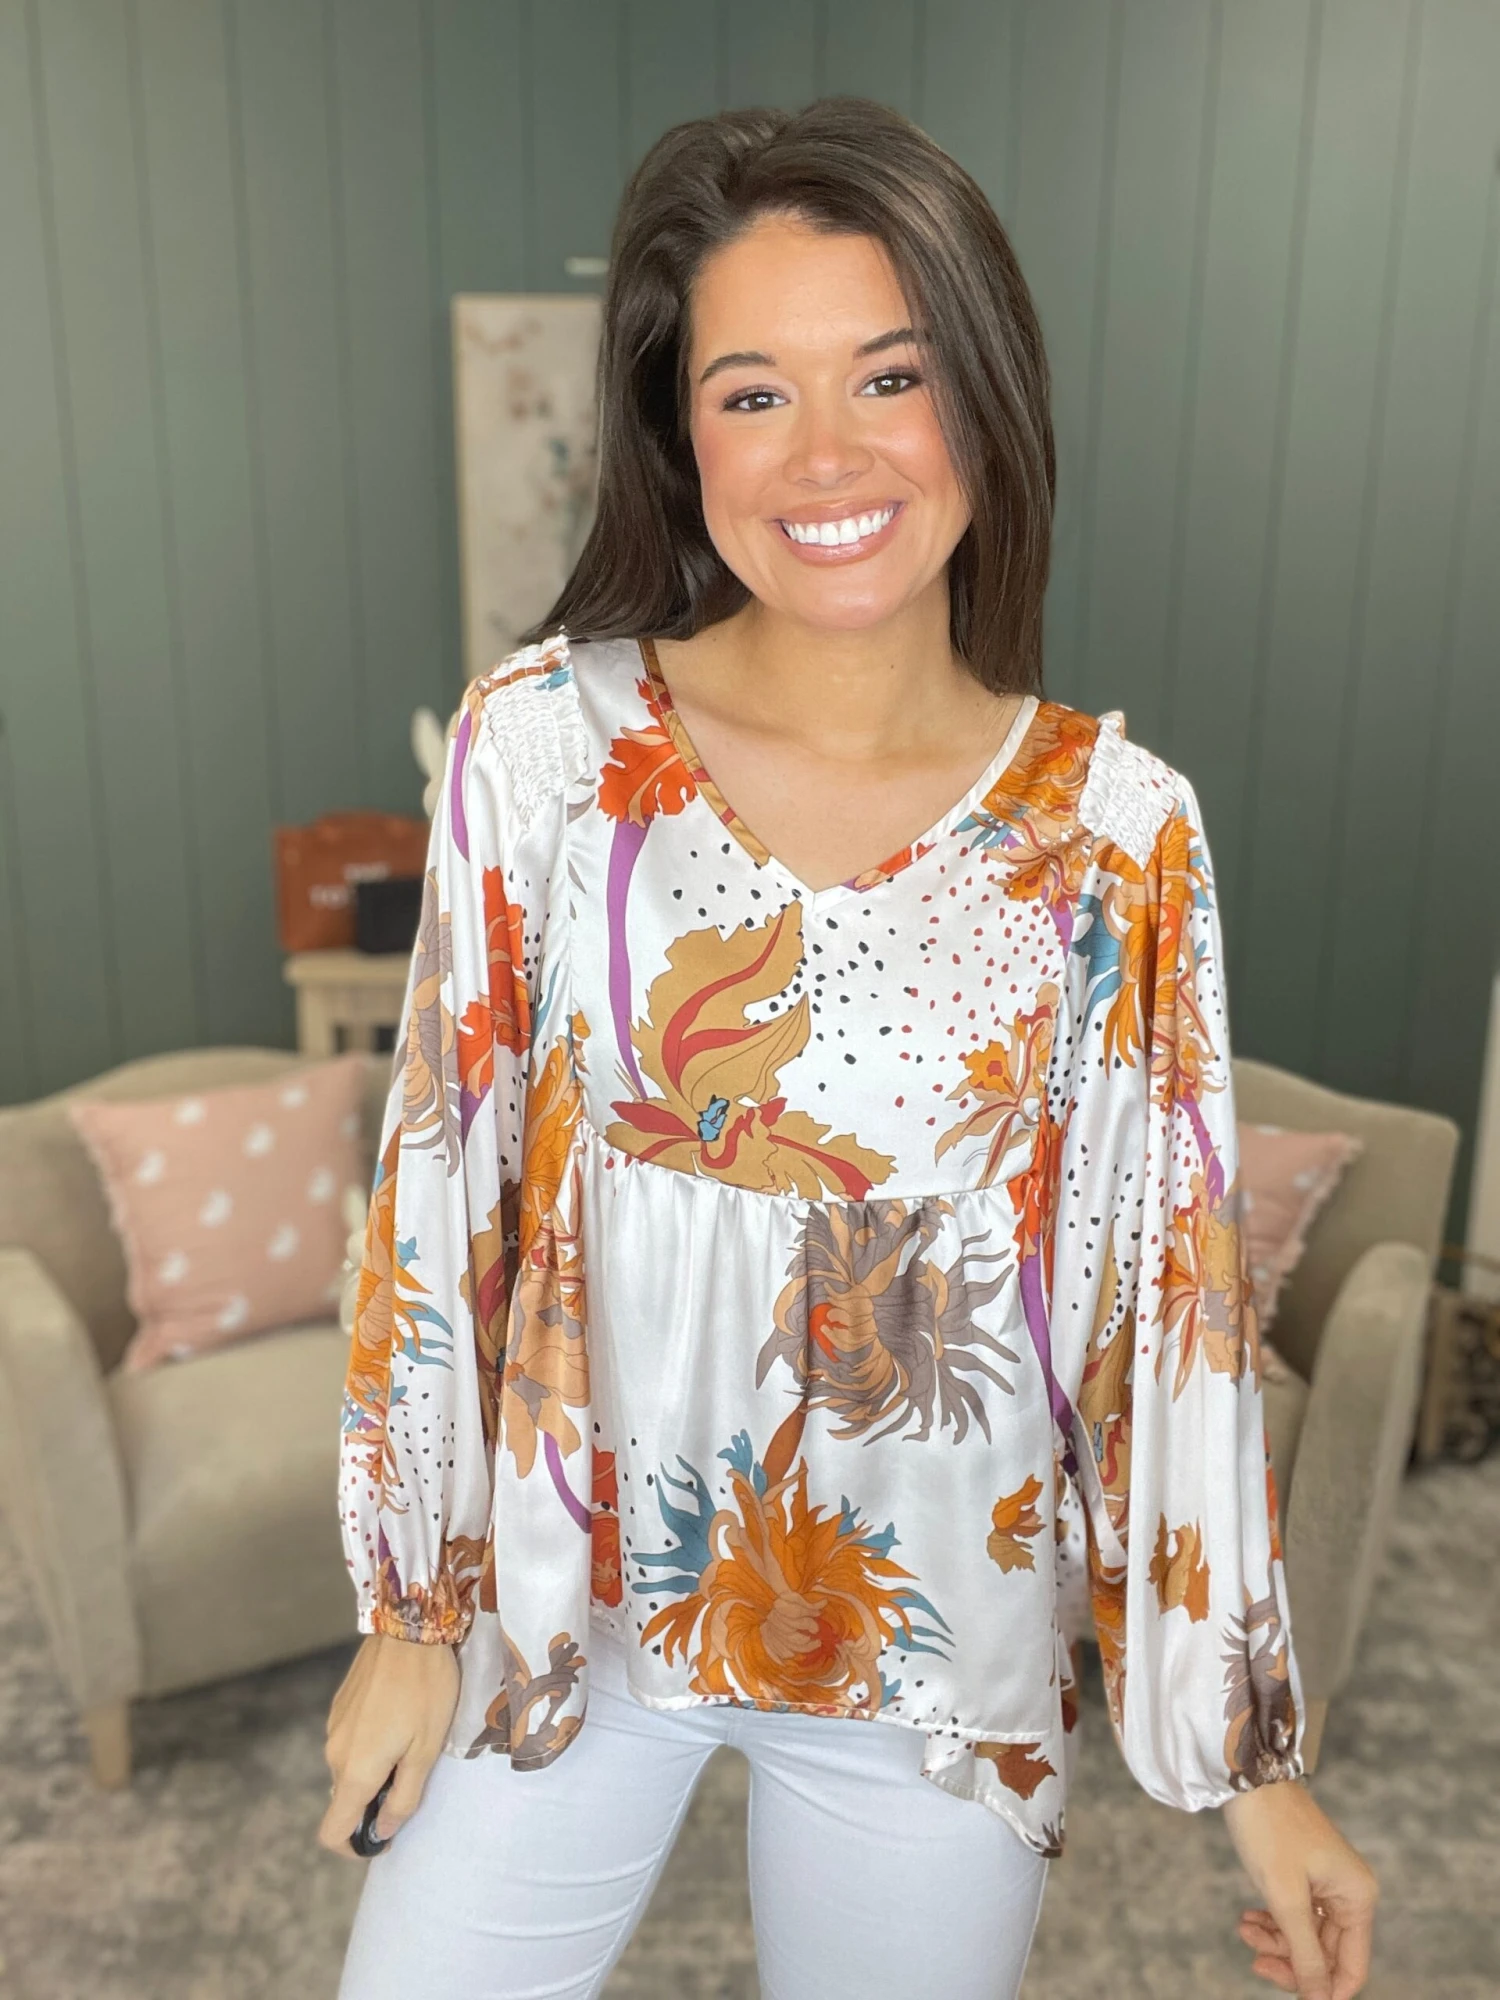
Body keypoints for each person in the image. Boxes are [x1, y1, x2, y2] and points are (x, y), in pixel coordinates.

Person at [318, 98, 1378, 2000]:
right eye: (753, 394)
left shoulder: (1114, 835)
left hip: (932, 1658)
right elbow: (441, 1189)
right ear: (682, 434)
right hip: (567, 1619)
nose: (827, 455)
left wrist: (1252, 1763)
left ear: (984, 392)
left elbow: (1164, 1305)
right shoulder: (545, 752)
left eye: (890, 375)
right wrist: (414, 1605)